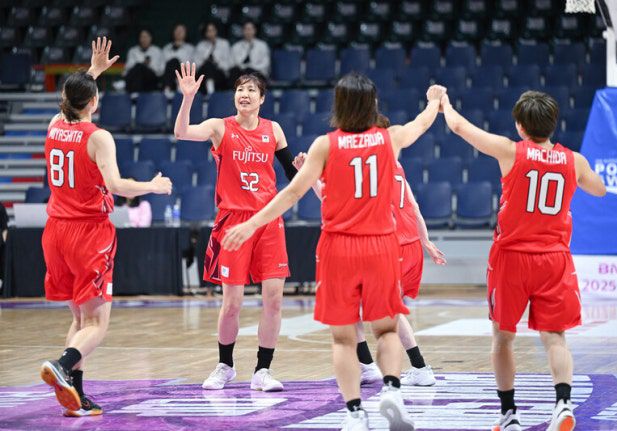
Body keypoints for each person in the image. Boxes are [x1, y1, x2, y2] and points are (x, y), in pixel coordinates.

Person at [221, 73, 446, 431]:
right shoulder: (389, 138)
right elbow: (421, 122)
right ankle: (392, 390)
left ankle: (354, 412)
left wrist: (251, 224)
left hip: (339, 248)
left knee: (343, 338)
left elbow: (291, 193)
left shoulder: (325, 146)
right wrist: (435, 100)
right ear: (372, 106)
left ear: (338, 106)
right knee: (386, 330)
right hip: (379, 244)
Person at [441, 90, 606, 431]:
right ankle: (563, 404)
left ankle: (509, 414)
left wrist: (442, 102)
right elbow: (600, 189)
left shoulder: (509, 150)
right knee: (555, 337)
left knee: (503, 338)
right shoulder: (574, 161)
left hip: (512, 259)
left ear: (520, 125)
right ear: (553, 123)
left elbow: (458, 127)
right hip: (553, 259)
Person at [39, 37, 172, 417]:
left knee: (80, 320)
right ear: (94, 102)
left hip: (55, 231)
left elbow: (72, 100)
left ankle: (76, 395)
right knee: (97, 323)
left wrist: (93, 72)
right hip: (87, 233)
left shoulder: (53, 126)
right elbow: (116, 186)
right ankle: (62, 365)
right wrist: (152, 186)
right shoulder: (98, 137)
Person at [292, 113, 447, 388]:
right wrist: (426, 242)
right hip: (411, 244)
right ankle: (374, 366)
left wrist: (309, 174)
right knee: (381, 309)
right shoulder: (396, 166)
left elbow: (332, 201)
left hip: (388, 244)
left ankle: (416, 367)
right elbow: (414, 206)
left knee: (368, 309)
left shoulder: (365, 165)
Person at [174, 63, 298, 392]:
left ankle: (262, 370)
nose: (244, 94)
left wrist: (313, 181)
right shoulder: (220, 127)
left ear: (262, 99)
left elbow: (294, 175)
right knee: (232, 302)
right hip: (233, 221)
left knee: (274, 300)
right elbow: (182, 133)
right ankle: (225, 365)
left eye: (251, 90)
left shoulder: (274, 130)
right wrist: (188, 98)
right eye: (240, 89)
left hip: (268, 221)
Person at [194, 22, 232, 94]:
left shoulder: (224, 43)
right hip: (203, 74)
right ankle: (210, 92)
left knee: (211, 65)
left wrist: (216, 62)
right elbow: (196, 64)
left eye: (213, 30)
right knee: (208, 65)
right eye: (208, 31)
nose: (211, 33)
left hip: (219, 74)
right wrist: (206, 58)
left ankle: (211, 92)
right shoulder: (200, 45)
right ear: (205, 33)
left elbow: (228, 64)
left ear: (216, 31)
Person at [162, 23, 195, 95]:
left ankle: (180, 86)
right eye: (177, 30)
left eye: (181, 31)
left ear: (185, 33)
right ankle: (167, 89)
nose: (179, 33)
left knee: (178, 63)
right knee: (173, 62)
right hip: (169, 77)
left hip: (185, 78)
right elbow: (162, 67)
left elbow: (192, 67)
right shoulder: (166, 48)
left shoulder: (191, 48)